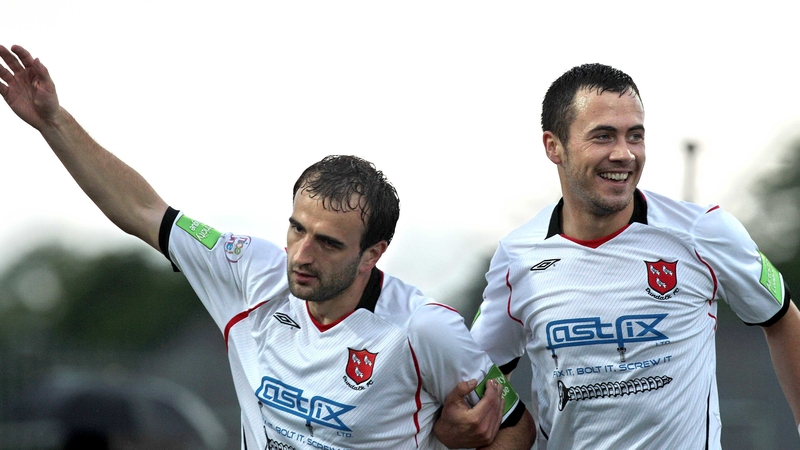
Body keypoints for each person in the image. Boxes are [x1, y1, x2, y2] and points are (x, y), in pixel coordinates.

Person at [0, 45, 535, 450]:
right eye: (297, 229)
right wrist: (53, 121)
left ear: (374, 251)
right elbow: (144, 211)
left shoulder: (427, 329)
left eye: (328, 242)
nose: (302, 254)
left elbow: (519, 430)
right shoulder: (246, 271)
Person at [453, 63, 800, 448]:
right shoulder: (517, 256)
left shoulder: (705, 233)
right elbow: (474, 370)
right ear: (554, 146)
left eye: (635, 136)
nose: (624, 154)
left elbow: (783, 318)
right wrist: (510, 429)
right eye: (603, 137)